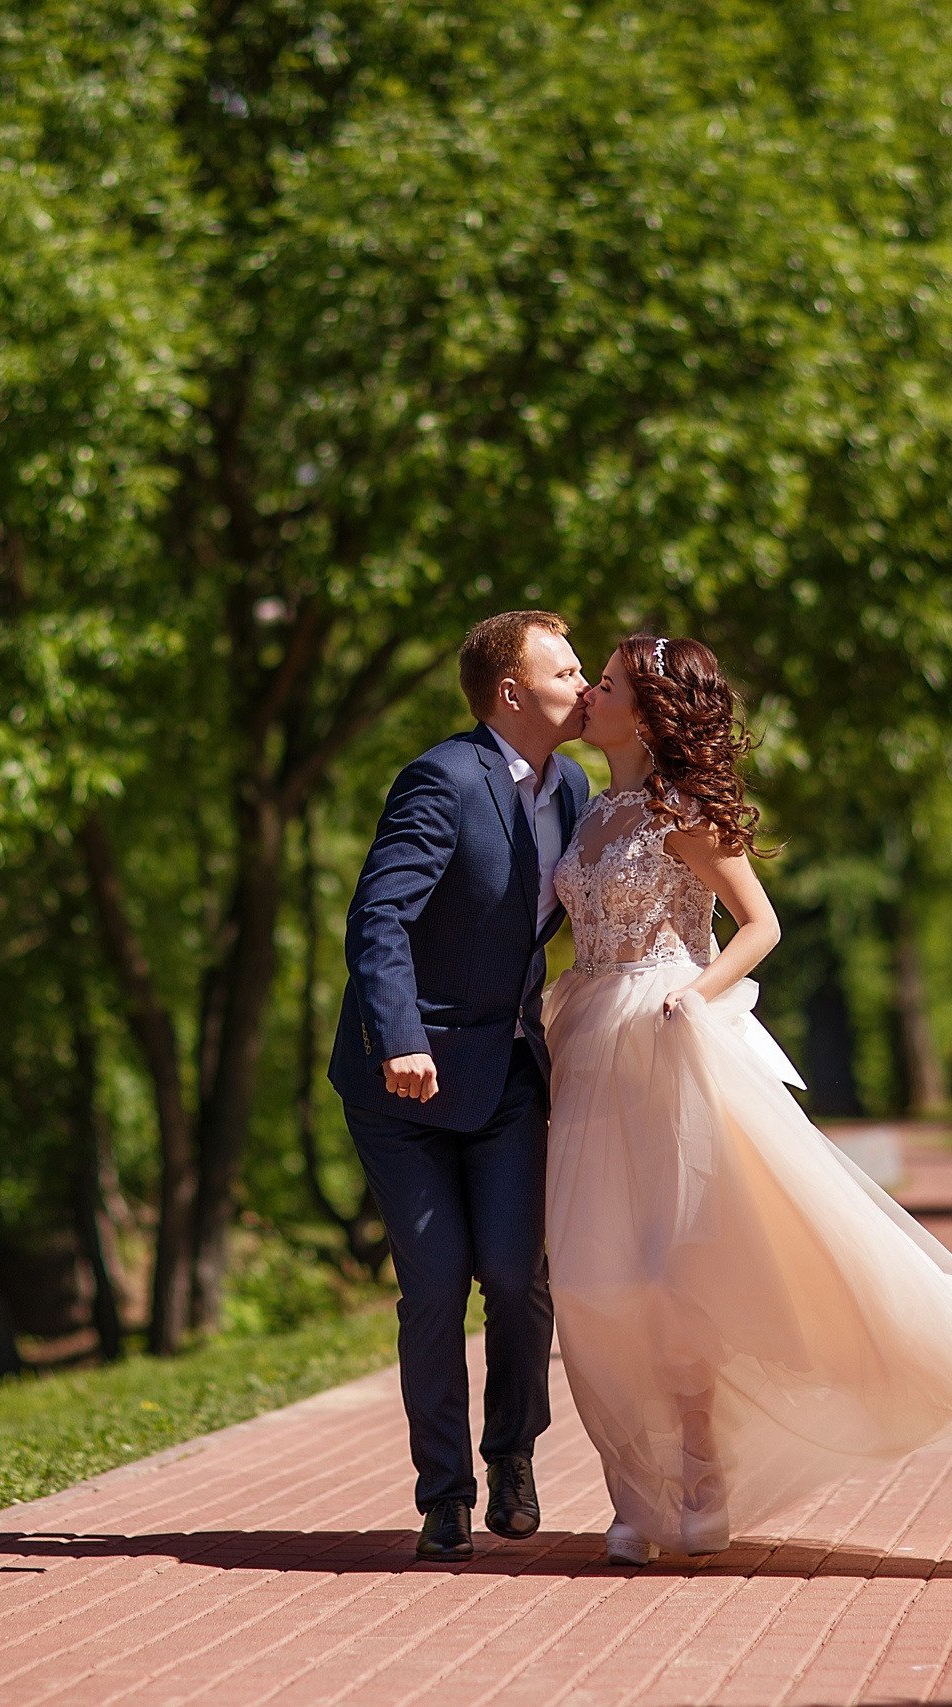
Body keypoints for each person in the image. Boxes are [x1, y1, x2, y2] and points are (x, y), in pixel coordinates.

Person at [544, 634, 952, 1565]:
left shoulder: (681, 814)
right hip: (591, 1042)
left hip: (671, 1041)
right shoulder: (588, 812)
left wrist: (694, 994)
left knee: (676, 1273)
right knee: (595, 1279)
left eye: (613, 683)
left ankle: (696, 1483)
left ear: (653, 712)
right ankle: (635, 1486)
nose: (593, 690)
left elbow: (760, 924)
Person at [328, 610, 592, 1562]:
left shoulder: (576, 790)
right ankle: (443, 1492)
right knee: (436, 1285)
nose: (586, 680)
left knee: (519, 1277)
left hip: (508, 1070)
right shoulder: (442, 779)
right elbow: (378, 919)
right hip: (405, 1083)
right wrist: (399, 1036)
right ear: (513, 692)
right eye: (569, 668)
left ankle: (513, 1451)